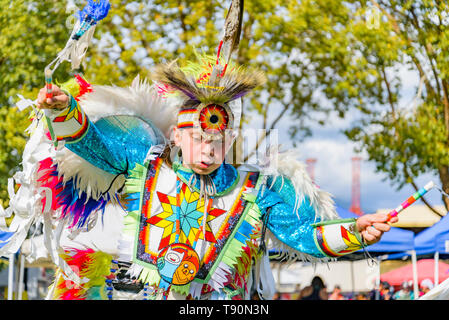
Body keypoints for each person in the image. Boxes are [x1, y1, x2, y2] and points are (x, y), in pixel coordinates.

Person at [1, 0, 398, 300]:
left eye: (218, 141)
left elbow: (304, 235)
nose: (208, 149)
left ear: (230, 141)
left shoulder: (258, 189)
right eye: (199, 138)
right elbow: (93, 144)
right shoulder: (147, 163)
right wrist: (63, 108)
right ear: (176, 135)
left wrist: (355, 231)